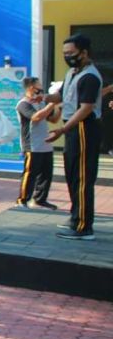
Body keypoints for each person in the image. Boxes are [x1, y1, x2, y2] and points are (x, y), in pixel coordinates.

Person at [44, 34, 102, 240]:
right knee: (71, 174)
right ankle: (75, 217)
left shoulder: (90, 77)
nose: (67, 57)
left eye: (71, 53)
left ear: (84, 53)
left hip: (84, 128)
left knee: (83, 177)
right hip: (71, 129)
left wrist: (63, 129)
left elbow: (86, 109)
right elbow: (61, 96)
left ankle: (84, 227)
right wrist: (43, 97)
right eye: (64, 54)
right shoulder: (72, 73)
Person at [15, 77, 60, 209]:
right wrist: (52, 103)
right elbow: (36, 117)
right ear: (30, 88)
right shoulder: (23, 104)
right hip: (32, 145)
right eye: (38, 86)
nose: (41, 88)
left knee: (46, 175)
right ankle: (22, 200)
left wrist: (58, 106)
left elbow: (53, 119)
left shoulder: (40, 103)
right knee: (30, 174)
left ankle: (40, 200)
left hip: (45, 144)